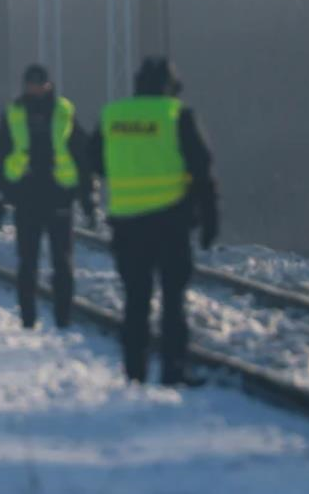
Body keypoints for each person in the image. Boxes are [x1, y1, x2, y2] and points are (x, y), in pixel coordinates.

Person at [90, 57, 219, 386]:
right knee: (173, 301)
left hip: (127, 224)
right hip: (170, 223)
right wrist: (209, 219)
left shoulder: (113, 116)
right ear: (171, 87)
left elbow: (94, 161)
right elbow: (202, 170)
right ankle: (173, 371)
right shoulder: (177, 115)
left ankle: (135, 371)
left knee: (136, 299)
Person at [0, 64, 94, 330]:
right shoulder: (14, 113)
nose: (35, 87)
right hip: (28, 196)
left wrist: (87, 197)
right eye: (31, 82)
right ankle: (28, 318)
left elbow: (82, 153)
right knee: (29, 261)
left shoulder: (63, 112)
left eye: (39, 82)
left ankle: (62, 319)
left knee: (61, 262)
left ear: (48, 84)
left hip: (57, 195)